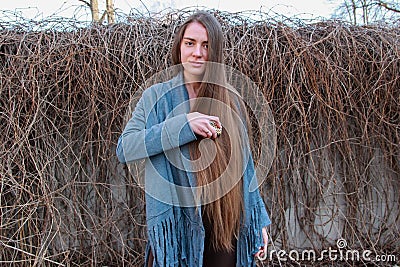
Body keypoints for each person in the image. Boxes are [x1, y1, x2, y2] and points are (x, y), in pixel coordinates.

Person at [116, 11, 270, 267]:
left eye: (206, 45)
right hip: (177, 224)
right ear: (179, 48)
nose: (197, 52)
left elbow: (246, 165)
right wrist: (182, 125)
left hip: (225, 224)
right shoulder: (156, 97)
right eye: (190, 43)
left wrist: (259, 220)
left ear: (215, 52)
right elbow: (126, 147)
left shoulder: (230, 100)